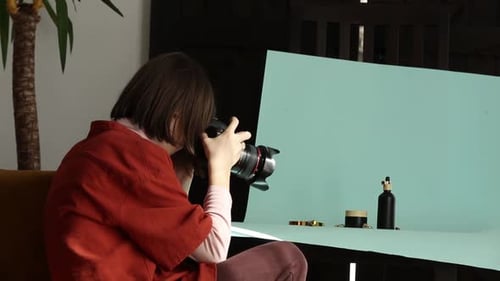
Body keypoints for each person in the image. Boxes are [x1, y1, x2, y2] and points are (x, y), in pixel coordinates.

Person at [44, 52, 308, 281]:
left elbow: (174, 236)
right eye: (194, 122)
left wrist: (184, 169)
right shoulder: (135, 159)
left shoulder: (97, 148)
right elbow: (213, 249)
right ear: (175, 119)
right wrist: (220, 170)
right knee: (287, 258)